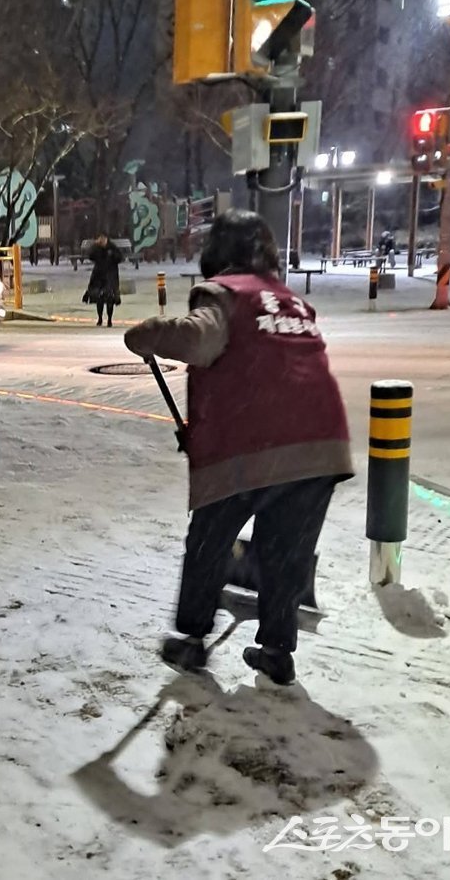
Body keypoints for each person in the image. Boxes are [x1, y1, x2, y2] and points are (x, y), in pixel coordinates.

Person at [123, 209, 354, 686]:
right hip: (320, 446)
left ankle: (191, 639)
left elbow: (197, 339)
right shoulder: (290, 300)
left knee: (209, 541)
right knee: (284, 551)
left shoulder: (225, 294)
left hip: (254, 446)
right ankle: (276, 651)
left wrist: (146, 333)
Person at [83, 234, 123, 326]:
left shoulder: (112, 248)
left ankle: (109, 319)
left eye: (103, 238)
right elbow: (90, 256)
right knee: (99, 298)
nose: (102, 241)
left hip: (110, 276)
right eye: (100, 238)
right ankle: (100, 318)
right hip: (99, 275)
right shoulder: (97, 248)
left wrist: (112, 255)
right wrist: (95, 245)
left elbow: (120, 258)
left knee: (110, 298)